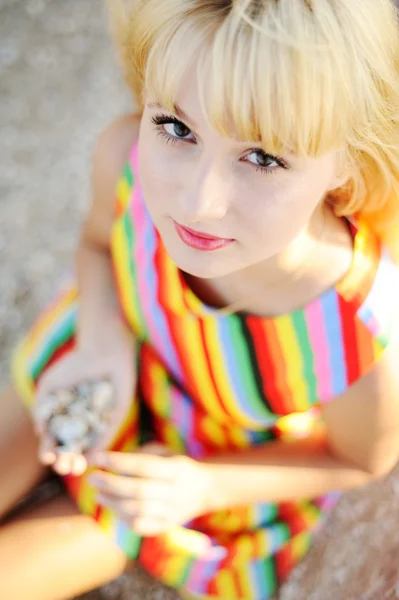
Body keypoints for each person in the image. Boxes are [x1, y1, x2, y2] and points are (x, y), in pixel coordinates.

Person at [1, 0, 399, 598]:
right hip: (108, 350)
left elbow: (358, 459)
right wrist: (102, 343)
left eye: (264, 157)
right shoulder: (125, 161)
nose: (197, 203)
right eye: (177, 128)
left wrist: (202, 486)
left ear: (346, 163)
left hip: (202, 456)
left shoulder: (358, 334)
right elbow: (97, 247)